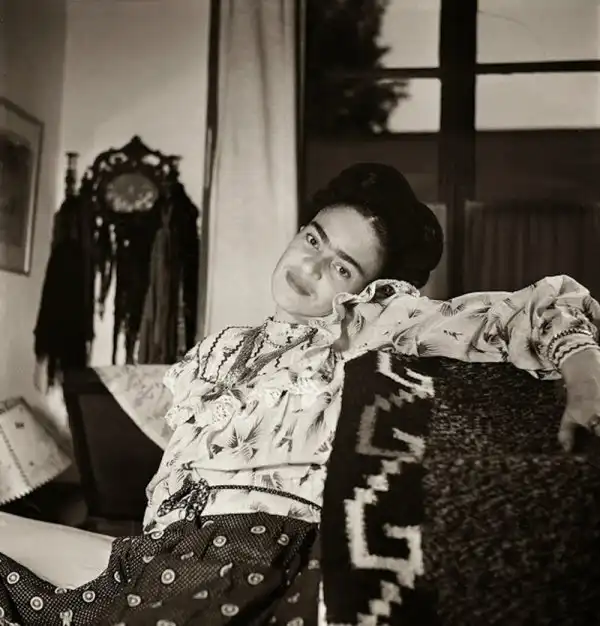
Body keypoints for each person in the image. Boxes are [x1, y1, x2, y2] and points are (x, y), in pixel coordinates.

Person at [1, 163, 600, 626]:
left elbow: (532, 309)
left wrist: (586, 378)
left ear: (368, 289)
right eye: (314, 239)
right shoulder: (218, 350)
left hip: (254, 562)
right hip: (152, 563)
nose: (311, 267)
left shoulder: (370, 326)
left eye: (343, 268)